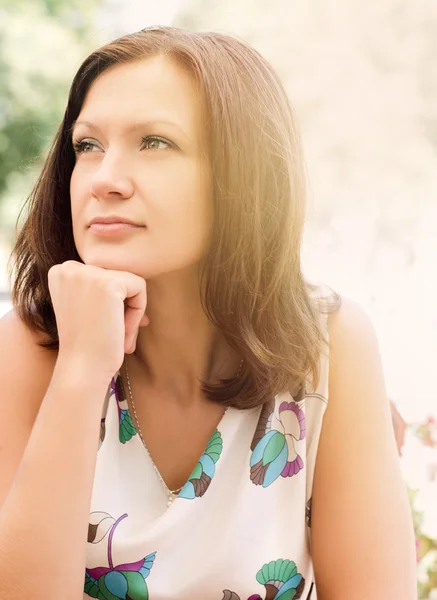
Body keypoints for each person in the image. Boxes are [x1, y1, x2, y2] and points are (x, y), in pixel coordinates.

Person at [0, 26, 417, 600]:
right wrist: (81, 368)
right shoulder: (32, 346)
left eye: (155, 143)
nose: (104, 180)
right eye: (87, 146)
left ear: (243, 176)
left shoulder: (329, 345)